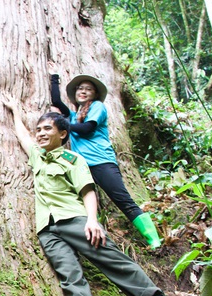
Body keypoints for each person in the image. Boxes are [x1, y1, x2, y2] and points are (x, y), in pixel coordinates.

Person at [3, 100, 168, 296]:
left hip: (74, 218)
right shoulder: (37, 157)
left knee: (110, 257)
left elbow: (87, 190)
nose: (40, 134)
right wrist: (15, 112)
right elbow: (22, 135)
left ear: (62, 133)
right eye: (38, 130)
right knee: (68, 273)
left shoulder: (73, 159)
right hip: (47, 229)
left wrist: (92, 220)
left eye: (47, 129)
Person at [50, 74, 162, 249]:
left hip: (101, 161)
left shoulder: (98, 107)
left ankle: (154, 240)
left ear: (94, 94)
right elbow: (56, 101)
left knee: (122, 199)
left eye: (88, 89)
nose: (83, 91)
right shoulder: (73, 115)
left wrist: (63, 126)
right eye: (80, 88)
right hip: (81, 166)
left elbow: (87, 128)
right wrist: (54, 78)